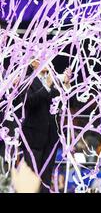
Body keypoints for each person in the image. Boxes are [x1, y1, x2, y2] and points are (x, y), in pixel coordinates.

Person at [17, 59, 71, 193]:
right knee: (31, 176)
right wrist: (46, 86)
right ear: (33, 63)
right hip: (33, 137)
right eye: (42, 57)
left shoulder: (54, 80)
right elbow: (28, 102)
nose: (47, 60)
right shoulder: (26, 80)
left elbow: (67, 104)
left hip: (51, 137)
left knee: (46, 178)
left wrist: (67, 85)